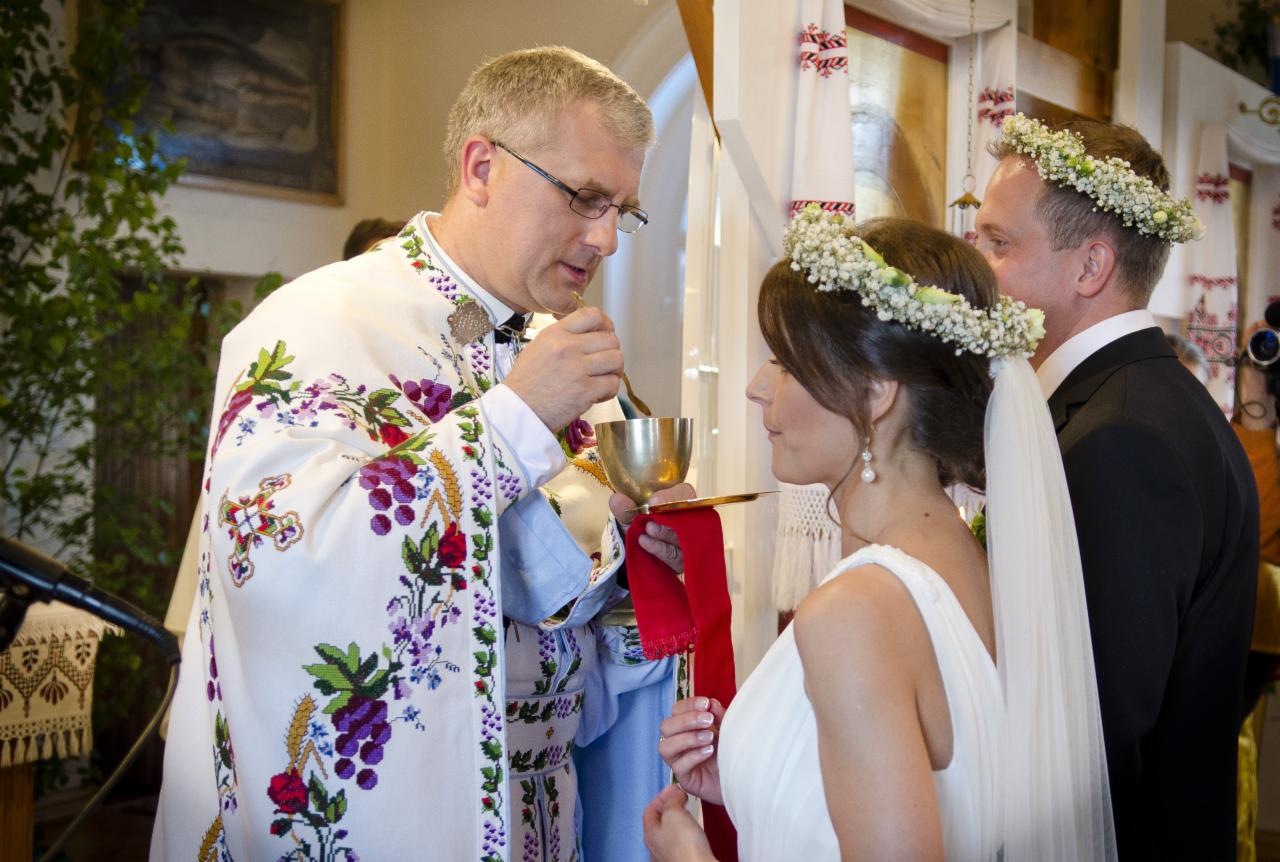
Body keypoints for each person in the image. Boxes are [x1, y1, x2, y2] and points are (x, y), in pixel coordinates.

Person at [152, 46, 687, 861]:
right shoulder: (314, 327)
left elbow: (537, 574)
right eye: (585, 198)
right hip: (397, 812)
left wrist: (635, 548)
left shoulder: (563, 351)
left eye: (623, 208)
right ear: (481, 167)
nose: (607, 238)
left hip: (549, 805)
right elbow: (281, 558)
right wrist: (514, 417)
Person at [644, 210, 1114, 861]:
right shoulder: (970, 562)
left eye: (785, 363)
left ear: (875, 393)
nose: (759, 390)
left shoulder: (854, 613)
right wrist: (754, 779)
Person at [976, 114, 1260, 860]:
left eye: (999, 243)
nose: (977, 269)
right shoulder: (1142, 402)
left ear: (1091, 267)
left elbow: (1089, 737)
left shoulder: (1122, 440)